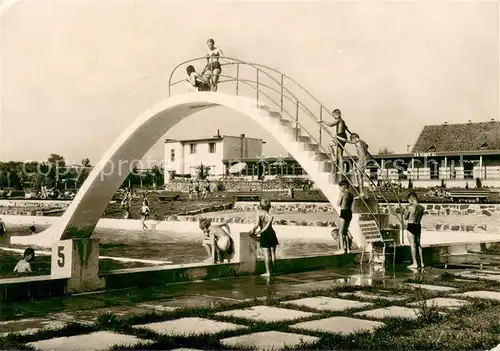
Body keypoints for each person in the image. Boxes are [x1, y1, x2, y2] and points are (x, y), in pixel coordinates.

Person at [248, 199, 279, 277]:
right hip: (272, 233)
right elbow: (268, 226)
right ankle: (274, 271)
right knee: (272, 254)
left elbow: (257, 224)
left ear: (260, 206)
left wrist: (253, 231)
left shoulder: (259, 214)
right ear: (269, 207)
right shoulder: (270, 216)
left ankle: (268, 272)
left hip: (264, 234)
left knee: (266, 254)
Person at [336, 133, 369, 197]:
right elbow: (367, 147)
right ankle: (361, 190)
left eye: (352, 140)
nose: (353, 142)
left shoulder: (357, 142)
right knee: (360, 175)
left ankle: (361, 192)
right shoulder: (363, 142)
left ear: (354, 138)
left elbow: (346, 140)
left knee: (359, 175)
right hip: (365, 159)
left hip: (361, 159)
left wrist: (337, 137)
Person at [320, 109, 348, 178]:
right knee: (331, 146)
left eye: (335, 115)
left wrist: (322, 121)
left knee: (339, 154)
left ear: (339, 114)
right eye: (333, 116)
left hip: (340, 136)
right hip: (342, 136)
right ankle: (334, 158)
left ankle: (341, 169)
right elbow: (346, 127)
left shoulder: (339, 120)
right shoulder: (343, 121)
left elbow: (330, 124)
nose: (334, 117)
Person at [404, 191, 425, 269]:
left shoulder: (410, 207)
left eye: (409, 200)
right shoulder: (421, 208)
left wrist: (405, 210)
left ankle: (415, 263)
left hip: (411, 225)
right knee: (418, 245)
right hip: (418, 225)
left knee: (412, 246)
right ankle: (422, 263)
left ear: (411, 198)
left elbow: (405, 217)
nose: (409, 202)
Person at [337, 180, 354, 253]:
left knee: (340, 232)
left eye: (340, 187)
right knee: (345, 231)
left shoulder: (342, 194)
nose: (340, 188)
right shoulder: (351, 194)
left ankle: (342, 249)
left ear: (344, 186)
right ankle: (348, 249)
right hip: (349, 213)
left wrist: (340, 196)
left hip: (343, 212)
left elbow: (338, 204)